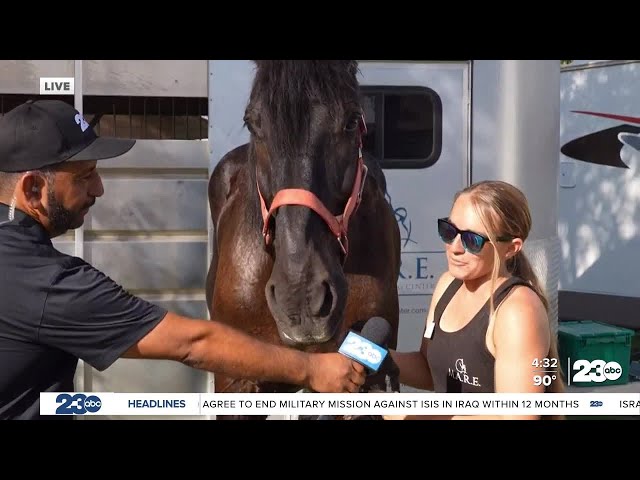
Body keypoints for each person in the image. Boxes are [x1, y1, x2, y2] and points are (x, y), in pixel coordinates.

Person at [0, 99, 366, 420]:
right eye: (85, 177)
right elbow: (192, 343)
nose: (99, 189)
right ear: (34, 188)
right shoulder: (45, 282)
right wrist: (310, 369)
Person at [384, 180, 564, 420]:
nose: (454, 248)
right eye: (449, 232)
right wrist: (369, 356)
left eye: (472, 240)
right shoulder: (448, 284)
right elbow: (430, 370)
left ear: (511, 248)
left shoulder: (517, 310)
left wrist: (407, 415)